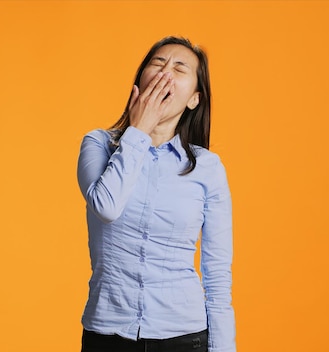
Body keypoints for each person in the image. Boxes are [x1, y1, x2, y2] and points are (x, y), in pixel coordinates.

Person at [76, 36, 235, 352]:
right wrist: (140, 130)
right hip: (107, 335)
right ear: (140, 82)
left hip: (184, 337)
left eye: (180, 68)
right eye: (158, 64)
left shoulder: (208, 168)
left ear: (194, 99)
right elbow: (106, 207)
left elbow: (217, 278)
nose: (165, 74)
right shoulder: (98, 144)